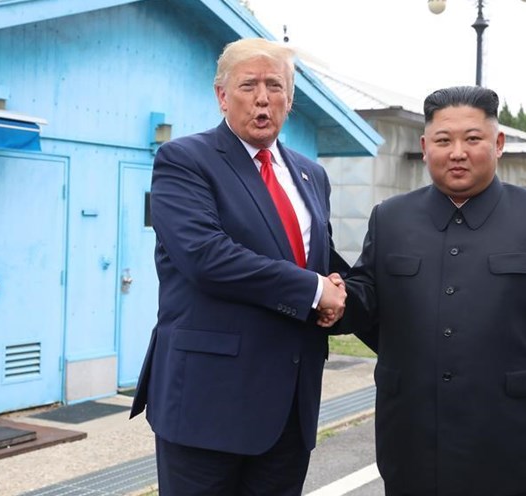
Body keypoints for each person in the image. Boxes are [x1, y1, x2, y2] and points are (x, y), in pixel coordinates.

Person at [342, 86, 526, 496]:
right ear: (425, 147)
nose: (457, 152)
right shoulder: (391, 218)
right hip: (413, 435)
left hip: (516, 437)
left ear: (497, 144)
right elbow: (367, 301)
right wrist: (329, 295)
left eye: (473, 139)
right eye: (444, 141)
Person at [129, 37, 348, 495]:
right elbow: (206, 256)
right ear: (222, 95)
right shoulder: (185, 160)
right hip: (208, 403)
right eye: (249, 85)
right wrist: (312, 290)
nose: (263, 97)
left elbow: (314, 259)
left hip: (290, 405)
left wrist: (337, 290)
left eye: (276, 85)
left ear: (290, 98)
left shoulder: (313, 174)